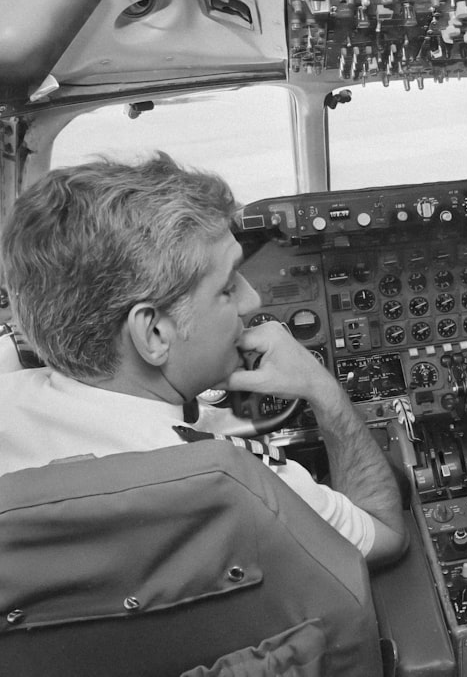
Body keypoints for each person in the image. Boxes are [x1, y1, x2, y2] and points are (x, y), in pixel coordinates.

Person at [0, 152, 406, 566]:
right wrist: (323, 390)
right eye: (228, 287)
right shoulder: (237, 479)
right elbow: (386, 535)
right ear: (154, 333)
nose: (254, 299)